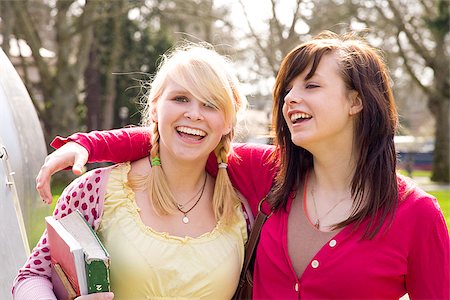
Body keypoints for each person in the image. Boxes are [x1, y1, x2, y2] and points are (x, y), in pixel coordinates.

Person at [33, 31, 449, 299]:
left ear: (357, 101)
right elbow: (184, 137)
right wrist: (87, 145)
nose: (290, 98)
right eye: (288, 88)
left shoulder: (415, 215)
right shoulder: (267, 173)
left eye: (312, 86)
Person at [13, 43, 265, 299]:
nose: (193, 114)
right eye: (180, 99)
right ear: (155, 107)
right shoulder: (96, 191)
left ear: (227, 122)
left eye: (210, 104)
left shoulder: (242, 211)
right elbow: (33, 275)